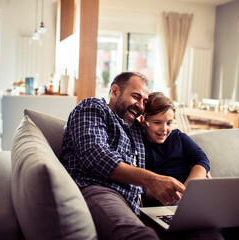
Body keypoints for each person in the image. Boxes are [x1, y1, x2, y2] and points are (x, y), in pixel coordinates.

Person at [60, 72, 223, 240]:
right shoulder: (93, 107)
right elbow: (96, 156)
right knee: (139, 236)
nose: (140, 105)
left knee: (208, 235)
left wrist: (193, 176)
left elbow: (173, 153)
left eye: (144, 101)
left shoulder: (136, 128)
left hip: (136, 206)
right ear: (115, 91)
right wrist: (152, 180)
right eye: (135, 97)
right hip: (100, 190)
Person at [140, 92, 239, 240]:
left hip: (193, 198)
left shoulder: (178, 137)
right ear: (144, 121)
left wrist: (188, 192)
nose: (164, 129)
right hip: (169, 204)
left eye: (169, 122)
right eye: (157, 122)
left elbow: (202, 160)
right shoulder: (139, 144)